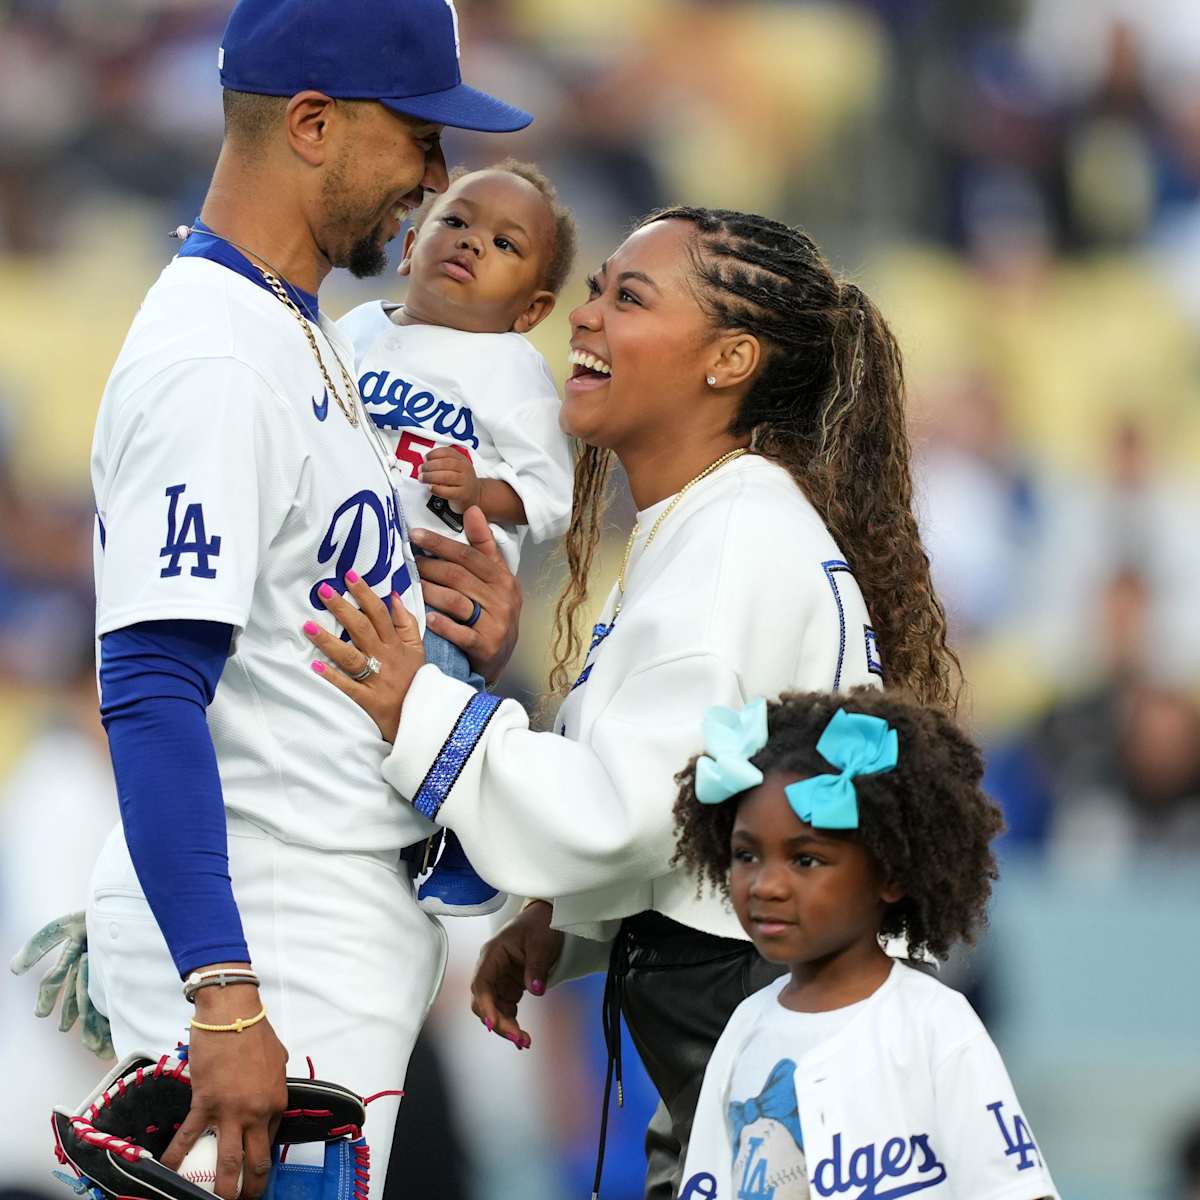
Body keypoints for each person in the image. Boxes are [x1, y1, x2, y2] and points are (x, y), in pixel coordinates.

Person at [303, 206, 959, 1198]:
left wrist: (418, 704)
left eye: (628, 297)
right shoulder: (717, 522)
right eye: (597, 287)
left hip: (796, 1079)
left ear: (728, 358)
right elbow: (706, 802)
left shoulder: (730, 540)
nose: (584, 317)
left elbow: (625, 816)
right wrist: (563, 922)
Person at [55, 2, 528, 1197]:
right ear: (312, 123)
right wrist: (221, 995)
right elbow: (153, 687)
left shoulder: (285, 324)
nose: (436, 176)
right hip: (268, 928)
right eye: (417, 136)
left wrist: (458, 636)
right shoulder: (216, 355)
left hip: (313, 920)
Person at [672, 690, 1058, 1200]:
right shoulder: (744, 1028)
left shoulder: (935, 1023)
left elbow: (1017, 1190)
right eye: (746, 855)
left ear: (890, 874)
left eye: (805, 860)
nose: (766, 884)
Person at [339, 160, 578, 915]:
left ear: (531, 307)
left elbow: (551, 498)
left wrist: (479, 491)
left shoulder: (513, 370)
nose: (472, 243)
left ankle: (461, 839)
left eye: (505, 244)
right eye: (457, 221)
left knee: (431, 704)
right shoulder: (355, 329)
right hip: (346, 564)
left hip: (439, 585)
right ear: (409, 246)